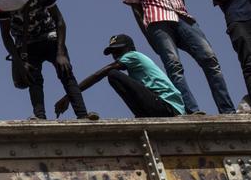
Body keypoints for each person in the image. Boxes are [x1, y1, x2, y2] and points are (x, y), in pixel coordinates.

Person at [123, 0, 234, 114]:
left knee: (210, 59)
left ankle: (227, 109)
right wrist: (147, 33)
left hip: (182, 17)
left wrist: (183, 16)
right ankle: (191, 110)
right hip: (157, 20)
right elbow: (135, 6)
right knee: (174, 66)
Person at [0, 0, 98, 120]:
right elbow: (5, 35)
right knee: (33, 78)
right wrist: (19, 61)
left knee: (66, 71)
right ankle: (40, 117)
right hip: (25, 45)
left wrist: (61, 53)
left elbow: (60, 21)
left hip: (49, 35)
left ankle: (82, 115)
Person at [56, 34, 185, 118]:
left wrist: (69, 96)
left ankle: (141, 116)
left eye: (118, 50)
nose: (115, 55)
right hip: (166, 107)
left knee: (112, 74)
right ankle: (142, 116)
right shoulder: (136, 68)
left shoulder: (133, 55)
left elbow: (98, 75)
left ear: (129, 48)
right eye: (113, 52)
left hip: (167, 107)